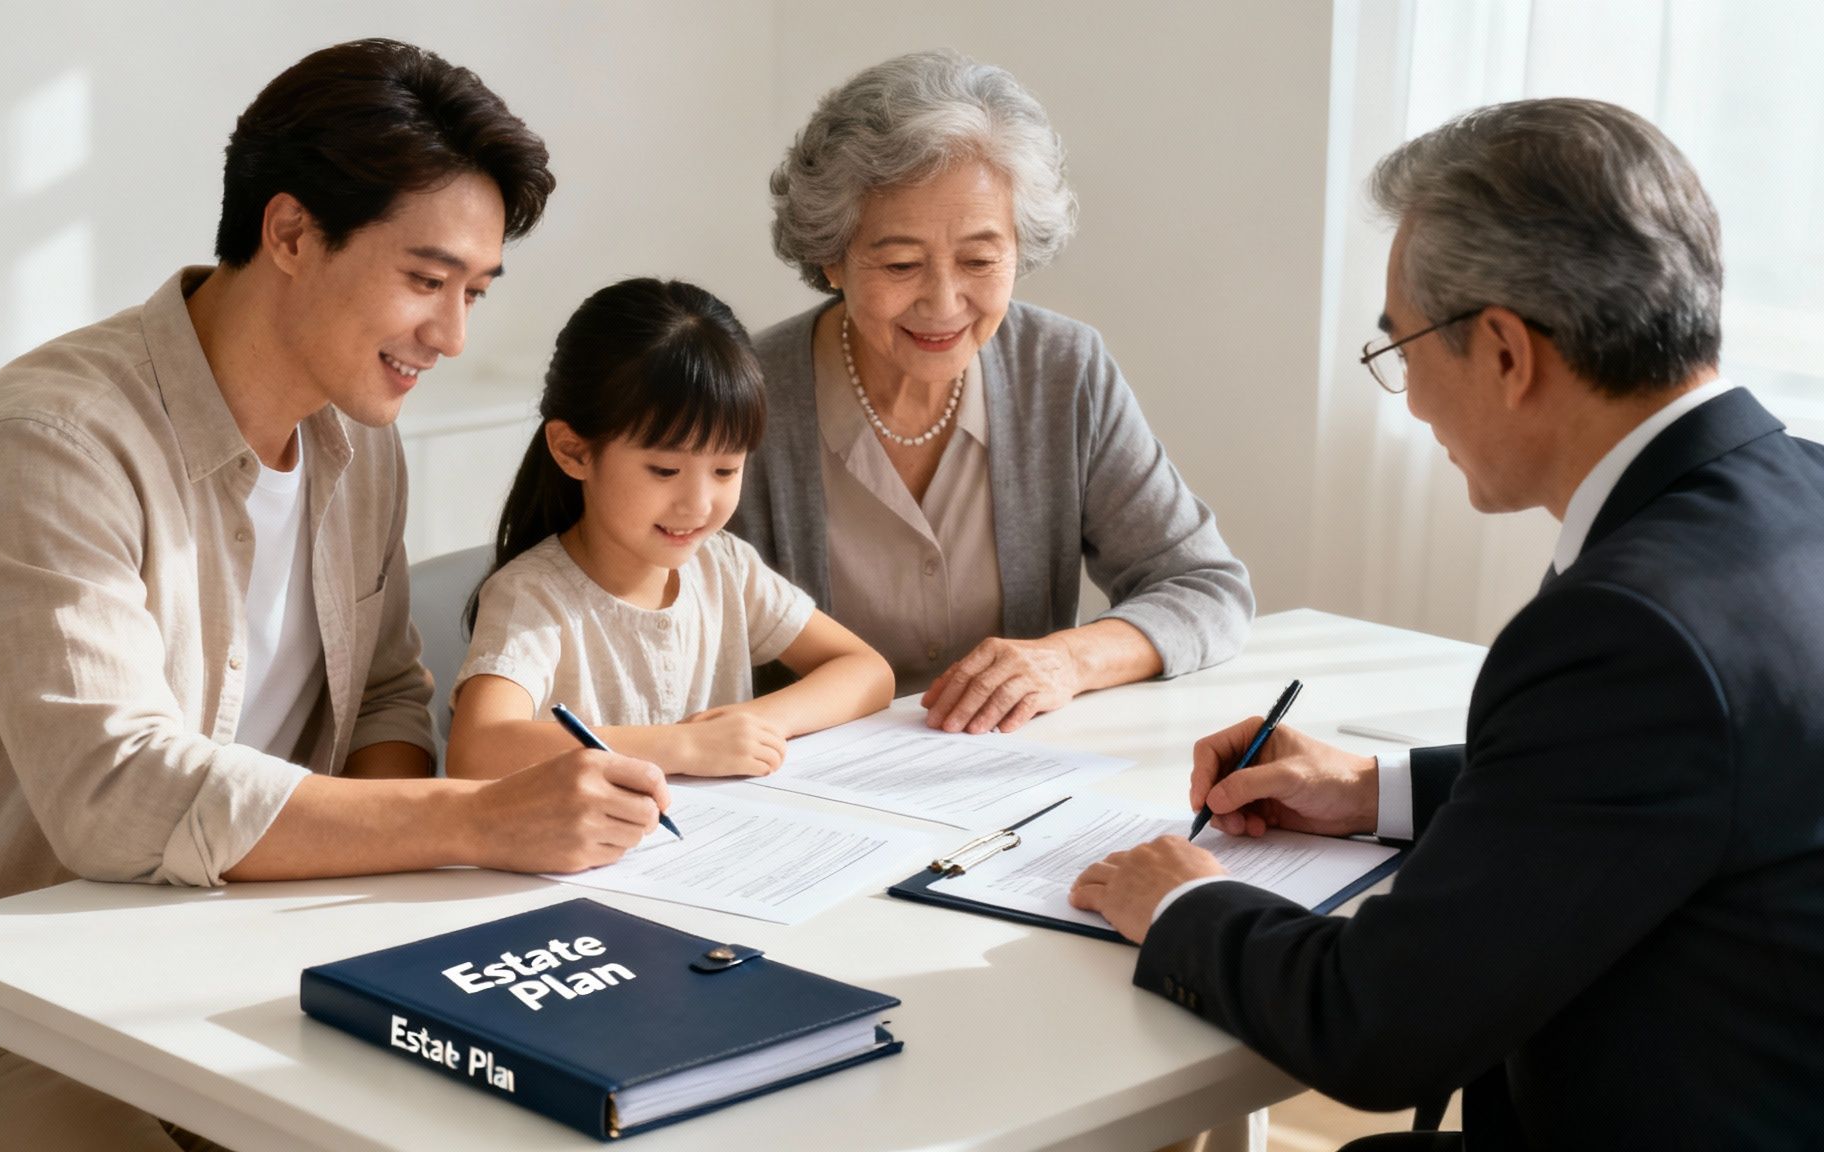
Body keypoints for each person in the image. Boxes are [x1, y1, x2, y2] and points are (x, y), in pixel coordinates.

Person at [0, 39, 675, 1151]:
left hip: (255, 951)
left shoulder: (356, 441)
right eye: (425, 281)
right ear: (288, 233)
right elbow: (115, 790)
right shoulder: (50, 443)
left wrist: (396, 887)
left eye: (472, 291)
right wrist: (466, 821)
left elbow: (382, 691)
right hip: (0, 1004)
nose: (452, 336)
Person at [1069, 98, 1824, 1150]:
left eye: (1402, 346)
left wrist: (1182, 905)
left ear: (1507, 353)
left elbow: (1376, 1029)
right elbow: (1665, 786)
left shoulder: (1623, 631)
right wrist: (1366, 790)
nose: (1409, 397)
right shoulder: (1798, 494)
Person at [731, 50, 1254, 736]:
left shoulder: (1062, 370)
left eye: (980, 260)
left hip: (1017, 785)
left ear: (1020, 248)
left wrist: (1069, 659)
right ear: (832, 257)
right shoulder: (747, 397)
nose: (944, 302)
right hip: (805, 793)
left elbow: (1205, 586)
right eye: (900, 263)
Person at [449, 278, 894, 779]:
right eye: (664, 471)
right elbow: (476, 749)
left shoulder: (725, 567)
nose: (698, 505)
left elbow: (868, 671)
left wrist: (754, 721)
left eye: (726, 471)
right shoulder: (534, 598)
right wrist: (681, 746)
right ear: (573, 451)